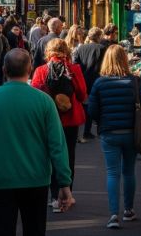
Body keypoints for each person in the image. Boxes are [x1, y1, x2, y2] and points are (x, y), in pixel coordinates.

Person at [0, 49, 75, 236]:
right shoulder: (44, 101)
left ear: (3, 69)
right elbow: (57, 145)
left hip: (0, 179)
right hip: (36, 179)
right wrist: (64, 183)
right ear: (30, 69)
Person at [87, 45, 141, 229]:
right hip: (131, 133)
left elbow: (92, 110)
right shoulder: (135, 81)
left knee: (112, 173)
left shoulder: (100, 83)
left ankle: (113, 214)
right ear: (125, 60)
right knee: (129, 171)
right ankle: (129, 209)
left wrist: (102, 121)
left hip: (109, 133)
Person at [31, 38, 87, 213]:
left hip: (48, 120)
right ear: (66, 51)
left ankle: (54, 196)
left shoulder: (41, 70)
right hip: (70, 119)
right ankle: (67, 193)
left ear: (48, 52)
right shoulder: (74, 69)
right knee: (69, 155)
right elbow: (82, 94)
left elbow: (35, 94)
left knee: (49, 155)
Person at [73, 27, 109, 142]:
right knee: (100, 105)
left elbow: (75, 65)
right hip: (98, 80)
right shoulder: (103, 49)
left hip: (83, 81)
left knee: (86, 106)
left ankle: (86, 131)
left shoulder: (80, 49)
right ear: (99, 37)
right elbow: (107, 65)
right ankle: (99, 129)